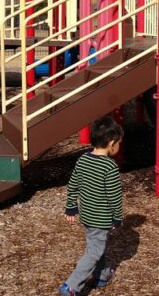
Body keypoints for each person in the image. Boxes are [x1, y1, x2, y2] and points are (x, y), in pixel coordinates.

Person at [58, 116, 124, 296]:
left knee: (95, 245)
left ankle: (101, 275)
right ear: (111, 143)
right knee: (94, 252)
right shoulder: (109, 167)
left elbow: (73, 184)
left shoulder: (83, 159)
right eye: (119, 143)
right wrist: (117, 217)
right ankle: (71, 285)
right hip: (100, 219)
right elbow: (114, 197)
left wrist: (71, 207)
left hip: (86, 216)